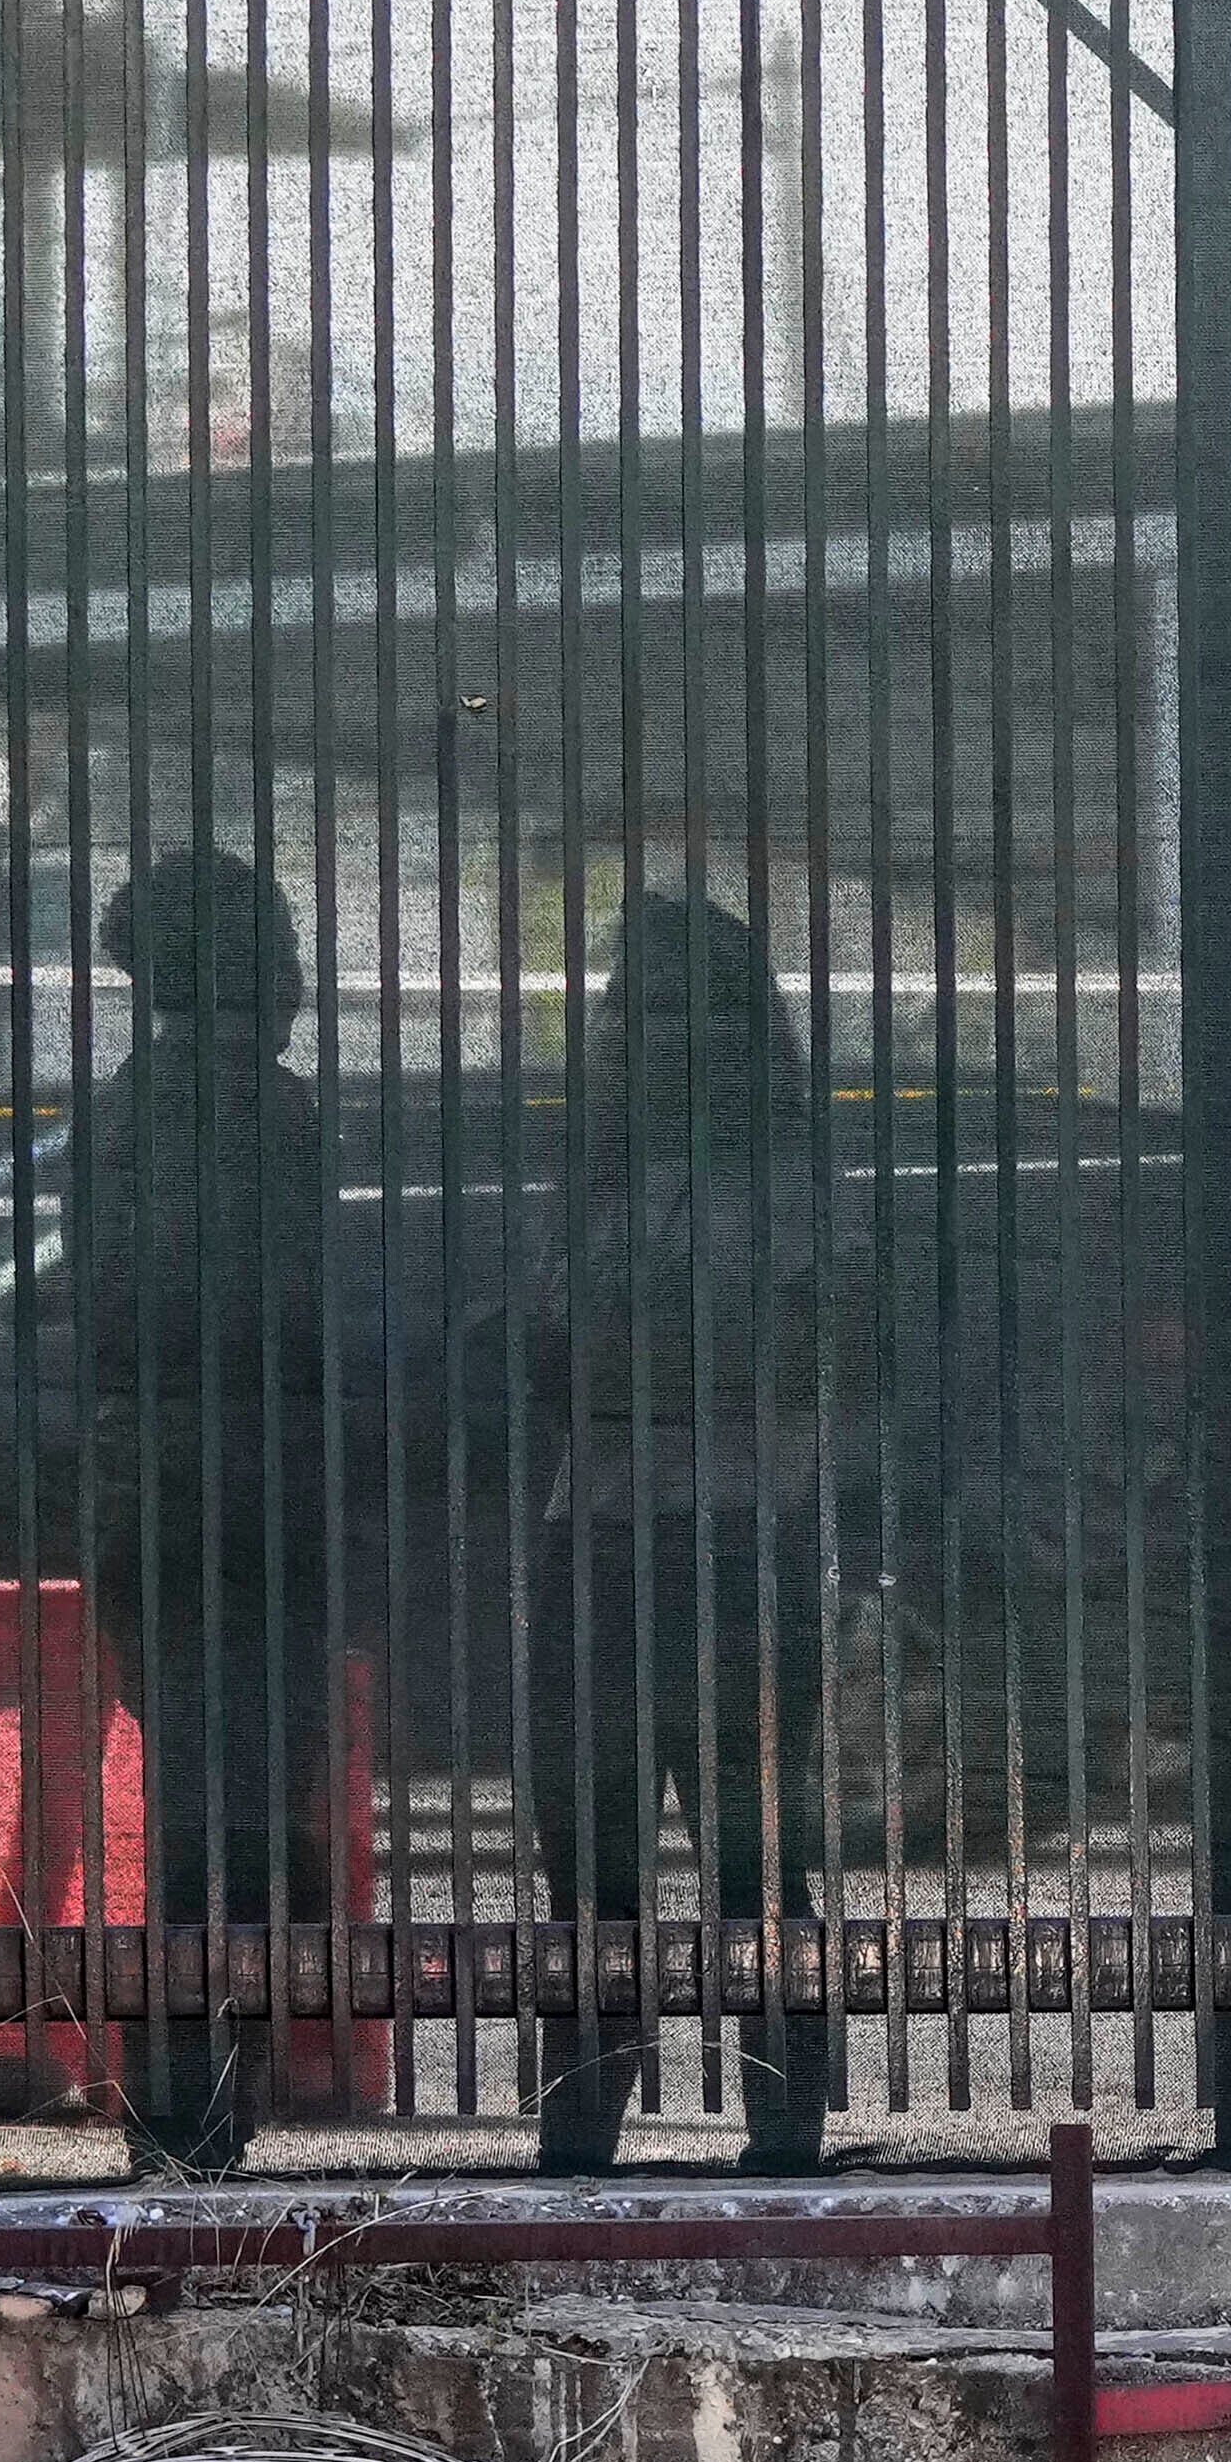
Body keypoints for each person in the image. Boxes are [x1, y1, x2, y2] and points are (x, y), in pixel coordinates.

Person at [506, 882, 865, 2180]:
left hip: (729, 1534)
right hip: (605, 1536)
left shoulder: (782, 1192)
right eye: (638, 1010)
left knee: (749, 1854)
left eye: (684, 1012)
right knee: (587, 1859)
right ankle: (588, 2113)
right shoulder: (592, 1188)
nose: (654, 1039)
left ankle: (779, 2119)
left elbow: (817, 1361)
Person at [62, 847, 346, 2184]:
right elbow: (293, 1316)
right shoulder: (268, 1118)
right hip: (258, 1494)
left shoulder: (118, 1116)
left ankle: (182, 2091)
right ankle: (208, 2080)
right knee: (251, 1801)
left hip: (149, 1495)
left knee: (188, 1794)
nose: (298, 982)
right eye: (284, 954)